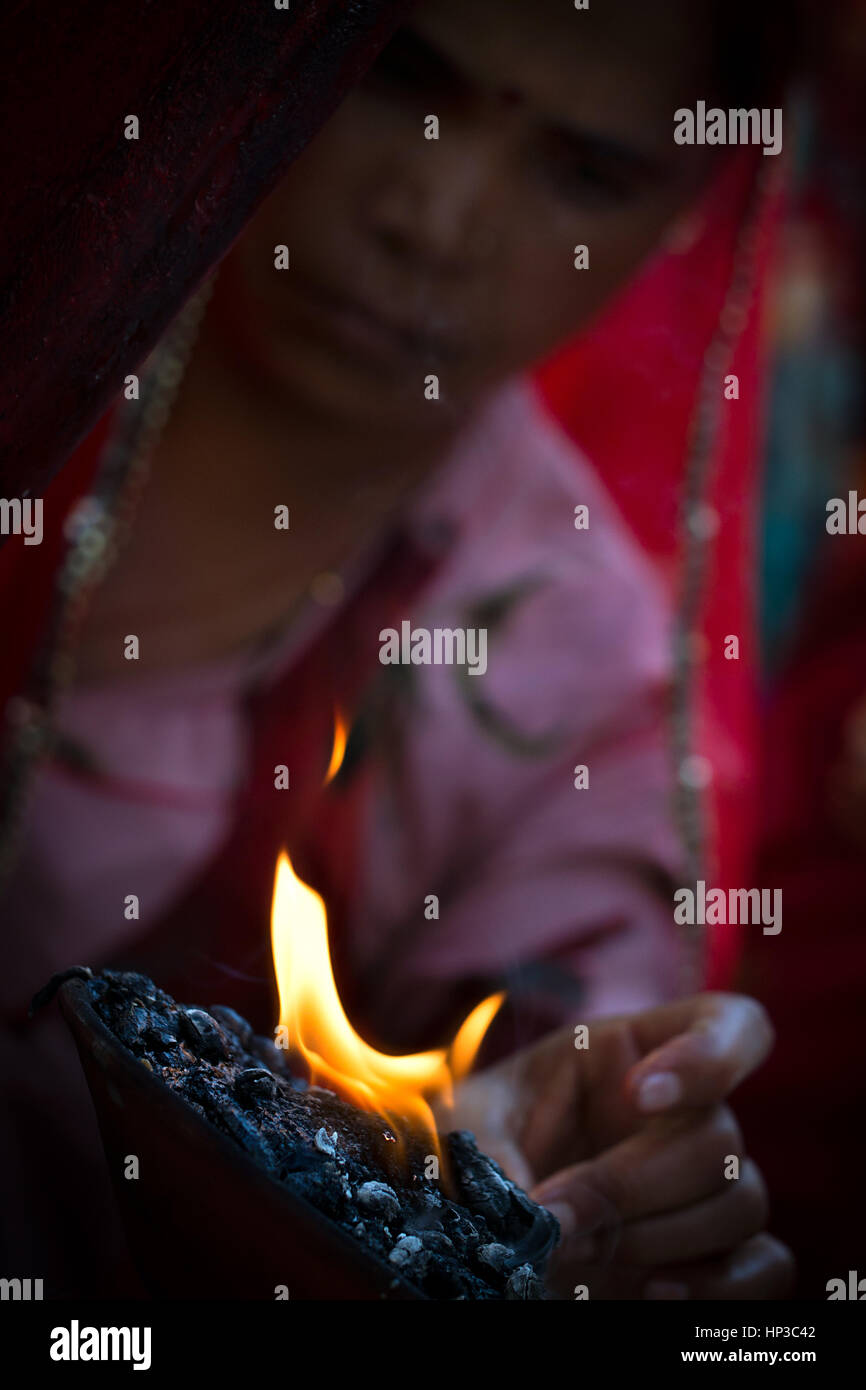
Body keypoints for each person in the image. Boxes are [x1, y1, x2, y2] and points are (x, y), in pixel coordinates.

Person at [0, 0, 794, 1297]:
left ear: (691, 213)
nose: (431, 215)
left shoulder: (578, 681)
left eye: (583, 168)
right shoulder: (37, 307)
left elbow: (558, 1101)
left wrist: (547, 1169)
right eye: (397, 75)